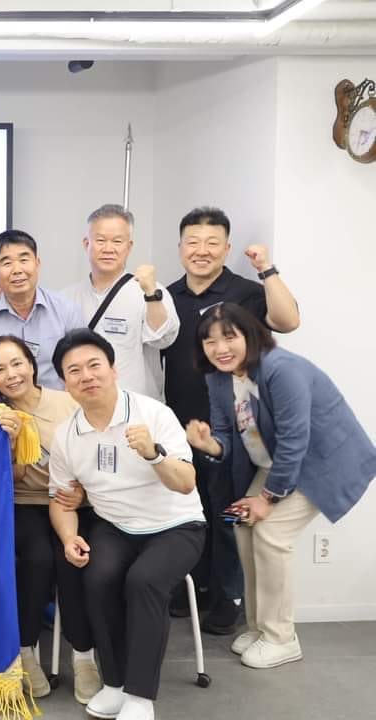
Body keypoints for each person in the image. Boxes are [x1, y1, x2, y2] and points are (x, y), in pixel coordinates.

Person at [186, 303, 376, 669]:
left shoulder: (281, 369)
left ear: (250, 335)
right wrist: (209, 445)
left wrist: (268, 498)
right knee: (241, 523)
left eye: (229, 337)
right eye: (210, 341)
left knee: (271, 532)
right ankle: (259, 627)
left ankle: (281, 637)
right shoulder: (218, 378)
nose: (220, 348)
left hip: (319, 461)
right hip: (276, 463)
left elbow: (294, 440)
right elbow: (225, 433)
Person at [48, 329, 205, 720]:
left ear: (114, 370)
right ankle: (115, 684)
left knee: (143, 581)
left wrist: (154, 455)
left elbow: (186, 483)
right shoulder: (66, 435)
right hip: (116, 526)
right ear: (65, 383)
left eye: (94, 365)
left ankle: (139, 695)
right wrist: (69, 537)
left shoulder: (154, 414)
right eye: (74, 371)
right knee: (97, 578)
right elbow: (61, 500)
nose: (87, 376)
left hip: (177, 525)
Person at [162, 206, 301, 635]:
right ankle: (199, 587)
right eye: (193, 242)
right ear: (180, 247)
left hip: (239, 428)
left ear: (226, 248)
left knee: (228, 514)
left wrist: (267, 269)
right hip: (182, 426)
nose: (201, 250)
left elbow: (288, 321)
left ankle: (230, 597)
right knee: (191, 510)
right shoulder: (167, 297)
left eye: (212, 243)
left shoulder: (245, 291)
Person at [0, 334, 101, 704]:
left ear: (32, 365)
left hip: (74, 501)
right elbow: (4, 475)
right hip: (25, 502)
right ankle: (25, 651)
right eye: (0, 369)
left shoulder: (67, 402)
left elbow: (97, 453)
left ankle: (84, 657)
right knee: (38, 559)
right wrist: (12, 444)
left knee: (72, 560)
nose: (11, 374)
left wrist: (83, 493)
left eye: (17, 363)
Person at [63, 204, 179, 399]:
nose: (108, 249)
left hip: (135, 406)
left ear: (129, 246)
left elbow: (163, 339)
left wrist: (151, 294)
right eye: (100, 240)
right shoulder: (67, 297)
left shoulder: (151, 291)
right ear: (86, 244)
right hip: (83, 406)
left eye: (117, 241)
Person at [0, 230, 84, 391]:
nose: (17, 270)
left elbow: (81, 363)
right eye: (7, 263)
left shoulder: (67, 309)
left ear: (37, 263)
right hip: (2, 404)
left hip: (57, 402)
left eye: (24, 260)